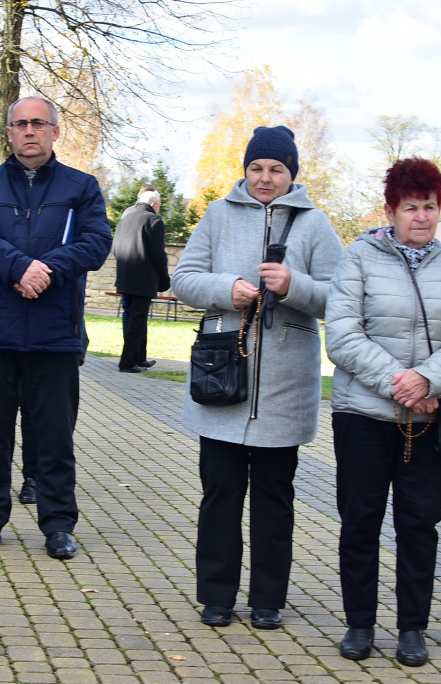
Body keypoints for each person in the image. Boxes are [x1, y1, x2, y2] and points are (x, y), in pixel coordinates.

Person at [172, 125, 344, 630]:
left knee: (274, 497)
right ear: (244, 170)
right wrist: (229, 288)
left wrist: (295, 286)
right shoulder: (219, 215)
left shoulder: (315, 225)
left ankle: (268, 598)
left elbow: (340, 297)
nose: (265, 178)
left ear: (292, 173)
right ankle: (217, 594)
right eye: (256, 168)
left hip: (285, 385)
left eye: (276, 169)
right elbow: (183, 277)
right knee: (220, 493)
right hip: (222, 373)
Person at [324, 158, 441, 666]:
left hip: (429, 420)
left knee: (419, 526)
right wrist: (402, 382)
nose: (420, 216)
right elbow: (343, 336)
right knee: (360, 522)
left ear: (440, 209)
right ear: (390, 210)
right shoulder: (358, 258)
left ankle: (412, 628)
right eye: (410, 207)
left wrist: (429, 381)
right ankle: (359, 625)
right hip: (364, 416)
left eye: (429, 207)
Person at [0, 96, 111, 558]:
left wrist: (45, 269)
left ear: (55, 131)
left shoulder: (81, 187)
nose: (29, 131)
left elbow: (96, 242)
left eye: (38, 123)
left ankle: (58, 524)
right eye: (20, 124)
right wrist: (19, 267)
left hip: (54, 334)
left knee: (54, 438)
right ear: (8, 132)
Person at [113, 184, 170, 372]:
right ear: (154, 204)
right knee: (138, 320)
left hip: (125, 275)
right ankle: (127, 362)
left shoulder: (126, 219)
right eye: (159, 206)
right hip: (143, 278)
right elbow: (158, 254)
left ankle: (140, 358)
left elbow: (116, 247)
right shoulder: (153, 220)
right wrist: (164, 276)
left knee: (133, 318)